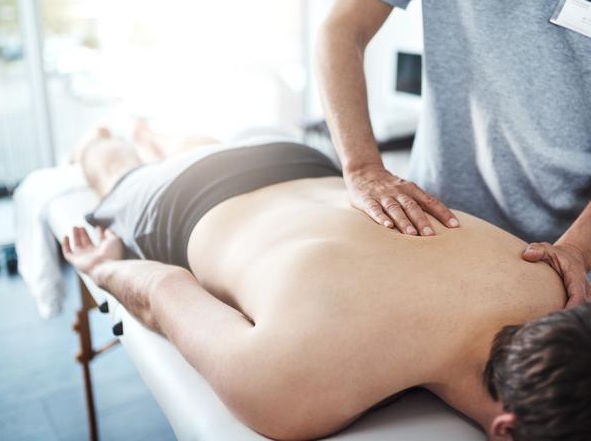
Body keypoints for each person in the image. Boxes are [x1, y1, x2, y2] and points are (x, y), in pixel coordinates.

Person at [61, 126, 590, 440]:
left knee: (193, 141)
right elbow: (162, 289)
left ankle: (154, 132)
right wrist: (101, 269)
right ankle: (104, 139)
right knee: (112, 167)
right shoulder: (292, 389)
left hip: (302, 161)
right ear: (506, 432)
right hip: (183, 197)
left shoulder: (552, 284)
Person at [315, 0, 591, 308]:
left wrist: (576, 251)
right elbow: (341, 30)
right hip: (433, 223)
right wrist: (363, 168)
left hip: (570, 251)